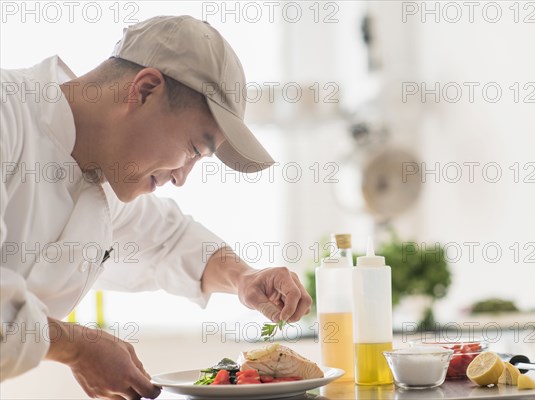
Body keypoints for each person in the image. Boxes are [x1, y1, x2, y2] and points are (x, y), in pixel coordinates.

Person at [0, 15, 312, 399]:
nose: (181, 178)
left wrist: (244, 279)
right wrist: (77, 347)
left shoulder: (100, 182)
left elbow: (170, 240)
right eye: (194, 150)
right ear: (145, 90)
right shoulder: (8, 112)